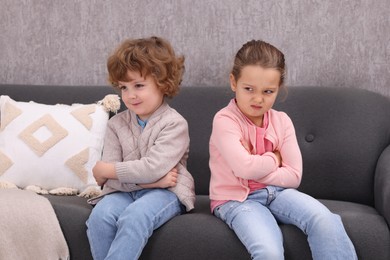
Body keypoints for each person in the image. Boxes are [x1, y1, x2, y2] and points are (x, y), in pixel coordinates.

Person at [209, 40, 357, 260]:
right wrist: (273, 158)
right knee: (269, 251)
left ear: (278, 89)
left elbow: (294, 176)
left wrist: (255, 165)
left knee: (326, 220)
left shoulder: (282, 121)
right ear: (233, 82)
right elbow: (243, 168)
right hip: (237, 200)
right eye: (248, 89)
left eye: (268, 91)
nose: (258, 99)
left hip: (276, 193)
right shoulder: (225, 121)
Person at [86, 36, 195, 260]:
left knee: (135, 216)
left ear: (163, 83)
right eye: (124, 88)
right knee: (100, 216)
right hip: (130, 191)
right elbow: (112, 179)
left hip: (166, 192)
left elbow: (146, 167)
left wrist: (107, 170)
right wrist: (152, 180)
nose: (130, 95)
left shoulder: (174, 124)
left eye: (138, 85)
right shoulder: (116, 124)